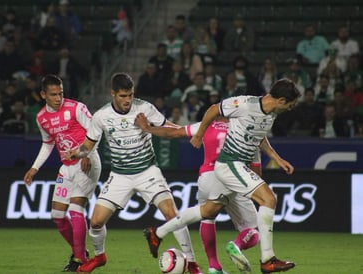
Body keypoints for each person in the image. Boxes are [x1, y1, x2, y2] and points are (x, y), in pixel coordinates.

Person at [143, 78, 300, 274]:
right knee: (269, 199)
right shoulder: (244, 103)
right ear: (281, 100)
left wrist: (277, 157)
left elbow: (258, 135)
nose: (290, 109)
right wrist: (199, 134)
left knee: (207, 211)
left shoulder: (271, 113)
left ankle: (157, 233)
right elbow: (213, 110)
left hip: (231, 167)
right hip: (230, 163)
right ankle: (267, 259)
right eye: (291, 105)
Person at [65, 73, 202, 274]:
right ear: (113, 94)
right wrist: (76, 152)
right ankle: (99, 256)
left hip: (148, 171)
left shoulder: (144, 108)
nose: (127, 100)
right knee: (95, 222)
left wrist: (189, 131)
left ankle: (192, 263)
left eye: (130, 95)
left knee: (171, 213)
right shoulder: (102, 116)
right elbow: (88, 145)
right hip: (120, 175)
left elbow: (170, 127)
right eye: (122, 96)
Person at [135, 113, 262, 274]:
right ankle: (237, 245)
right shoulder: (245, 131)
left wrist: (147, 128)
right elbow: (256, 170)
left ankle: (214, 266)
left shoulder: (206, 125)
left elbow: (174, 132)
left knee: (207, 218)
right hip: (231, 177)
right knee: (252, 229)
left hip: (206, 177)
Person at [23, 74, 101, 271]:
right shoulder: (41, 117)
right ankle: (80, 253)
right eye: (53, 94)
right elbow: (48, 144)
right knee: (57, 215)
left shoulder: (76, 108)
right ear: (43, 95)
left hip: (87, 162)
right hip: (66, 167)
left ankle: (80, 260)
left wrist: (86, 154)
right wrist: (34, 168)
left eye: (61, 93)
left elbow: (96, 131)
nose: (58, 98)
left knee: (75, 210)